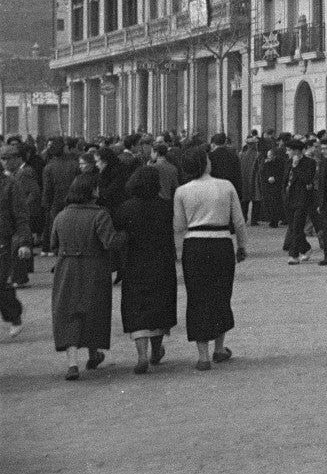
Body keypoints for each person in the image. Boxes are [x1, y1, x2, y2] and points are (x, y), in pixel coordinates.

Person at [173, 148, 248, 370]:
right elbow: (240, 222)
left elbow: (178, 226)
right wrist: (242, 246)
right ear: (204, 163)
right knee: (221, 294)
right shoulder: (226, 186)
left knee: (197, 297)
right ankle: (219, 348)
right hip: (221, 242)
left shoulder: (182, 191)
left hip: (194, 244)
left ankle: (203, 355)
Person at [51, 173, 128, 380]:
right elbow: (110, 242)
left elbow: (53, 244)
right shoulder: (100, 215)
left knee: (68, 312)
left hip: (66, 267)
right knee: (93, 310)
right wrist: (125, 235)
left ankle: (72, 362)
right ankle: (93, 354)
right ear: (91, 191)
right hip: (94, 267)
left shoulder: (61, 215)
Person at [112, 166, 177, 374]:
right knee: (160, 307)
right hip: (161, 262)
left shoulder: (125, 208)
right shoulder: (166, 207)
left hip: (134, 263)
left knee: (137, 308)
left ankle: (141, 355)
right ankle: (156, 351)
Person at [0, 161, 31, 337]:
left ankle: (14, 316)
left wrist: (24, 242)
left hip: (4, 239)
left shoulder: (10, 185)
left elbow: (21, 215)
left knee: (1, 282)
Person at [3, 144, 41, 288]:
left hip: (19, 217)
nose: (6, 162)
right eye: (3, 159)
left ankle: (19, 277)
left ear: (18, 159)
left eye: (9, 159)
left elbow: (34, 192)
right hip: (10, 219)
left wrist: (24, 205)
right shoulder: (9, 176)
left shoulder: (25, 172)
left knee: (17, 248)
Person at [40, 139, 78, 256]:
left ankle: (54, 249)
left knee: (55, 225)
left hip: (55, 201)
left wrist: (46, 204)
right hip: (72, 200)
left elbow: (47, 189)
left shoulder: (49, 167)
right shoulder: (74, 164)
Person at [283, 139, 317, 264]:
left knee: (297, 226)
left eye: (289, 150)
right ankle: (306, 248)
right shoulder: (287, 162)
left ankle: (293, 255)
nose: (287, 153)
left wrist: (296, 167)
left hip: (302, 199)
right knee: (293, 227)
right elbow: (285, 180)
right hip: (289, 199)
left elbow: (307, 179)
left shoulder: (310, 163)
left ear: (296, 150)